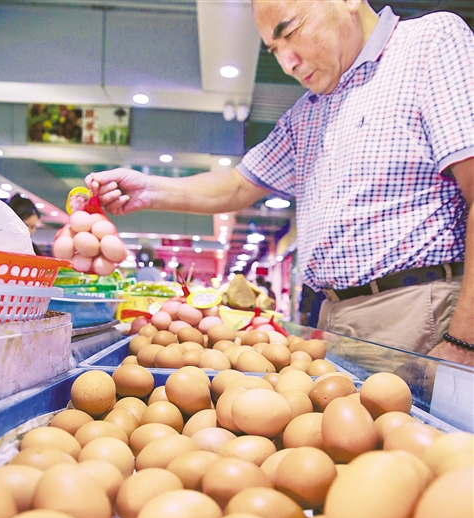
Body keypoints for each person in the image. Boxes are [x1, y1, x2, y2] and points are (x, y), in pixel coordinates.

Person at [85, 1, 473, 367]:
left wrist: (465, 340)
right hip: (333, 317)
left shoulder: (428, 43)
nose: (287, 62)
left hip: (416, 309)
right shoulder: (307, 113)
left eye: (291, 33)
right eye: (273, 49)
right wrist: (148, 190)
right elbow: (237, 186)